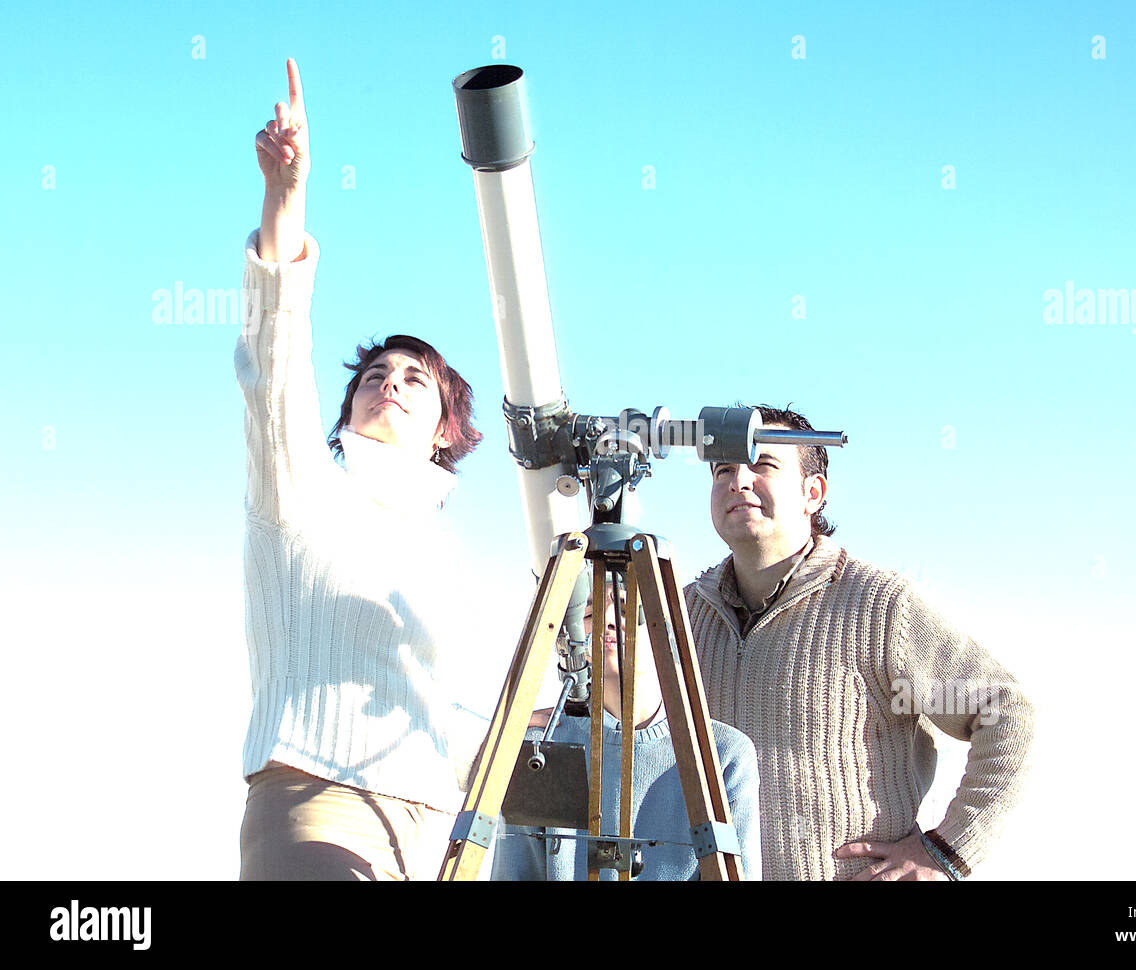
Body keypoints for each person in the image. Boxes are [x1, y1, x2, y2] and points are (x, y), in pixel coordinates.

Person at [235, 59, 488, 880]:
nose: (390, 382)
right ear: (347, 411)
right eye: (375, 375)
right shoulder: (303, 485)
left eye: (417, 378)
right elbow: (274, 363)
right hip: (318, 799)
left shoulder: (445, 556)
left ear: (448, 429)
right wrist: (286, 197)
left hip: (437, 827)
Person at [684, 405, 1034, 880]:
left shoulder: (878, 606)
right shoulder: (679, 614)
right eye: (723, 469)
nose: (738, 480)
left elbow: (1005, 710)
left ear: (813, 493)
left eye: (762, 464)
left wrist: (948, 851)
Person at [491, 582, 762, 880]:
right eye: (589, 612)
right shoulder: (541, 749)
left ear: (667, 628)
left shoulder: (723, 753)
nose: (607, 620)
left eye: (625, 608)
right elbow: (515, 873)